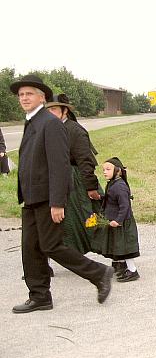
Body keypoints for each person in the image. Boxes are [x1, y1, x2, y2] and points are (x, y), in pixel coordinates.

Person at [10, 74, 113, 313]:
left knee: (51, 246)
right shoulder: (32, 121)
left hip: (47, 199)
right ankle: (40, 296)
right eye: (21, 94)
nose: (24, 98)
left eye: (29, 94)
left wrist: (57, 202)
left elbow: (59, 166)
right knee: (30, 248)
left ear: (42, 97)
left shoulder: (50, 123)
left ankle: (99, 273)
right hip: (32, 198)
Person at [45, 94, 103, 254]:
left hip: (75, 182)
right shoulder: (48, 129)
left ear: (65, 111)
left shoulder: (75, 131)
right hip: (54, 181)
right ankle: (44, 262)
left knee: (88, 219)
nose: (50, 113)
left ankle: (120, 258)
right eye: (48, 110)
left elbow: (85, 161)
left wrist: (91, 187)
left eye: (54, 109)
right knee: (48, 222)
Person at [94, 157, 140, 282]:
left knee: (126, 248)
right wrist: (101, 197)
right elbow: (112, 200)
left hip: (122, 223)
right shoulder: (112, 184)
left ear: (118, 171)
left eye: (108, 169)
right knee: (118, 245)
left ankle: (133, 271)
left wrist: (118, 220)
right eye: (103, 170)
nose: (104, 172)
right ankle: (119, 264)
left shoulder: (119, 186)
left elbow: (125, 206)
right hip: (115, 222)